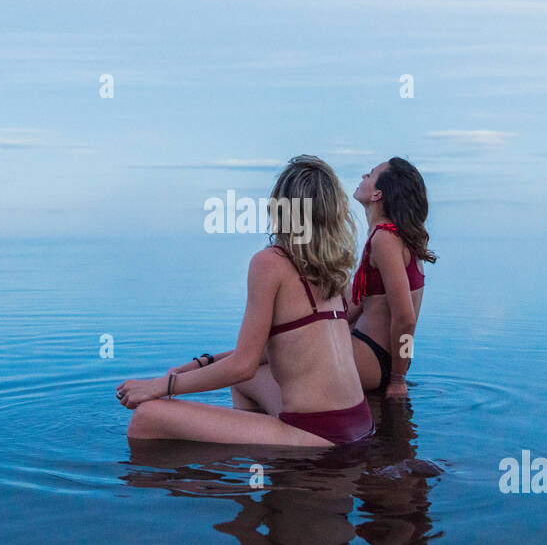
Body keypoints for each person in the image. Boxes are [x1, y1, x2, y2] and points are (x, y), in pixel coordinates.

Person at [117, 155, 374, 447]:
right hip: (360, 424)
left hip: (318, 436)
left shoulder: (270, 262)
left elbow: (243, 364)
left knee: (147, 417)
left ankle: (243, 465)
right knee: (244, 382)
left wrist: (158, 387)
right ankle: (251, 450)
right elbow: (262, 355)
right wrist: (202, 363)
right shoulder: (334, 268)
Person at [347, 158, 436, 402]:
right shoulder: (400, 236)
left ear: (378, 194)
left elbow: (406, 318)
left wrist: (397, 380)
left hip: (374, 357)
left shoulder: (385, 238)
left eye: (372, 174)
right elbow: (362, 304)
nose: (364, 175)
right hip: (383, 358)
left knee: (264, 369)